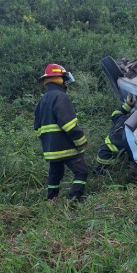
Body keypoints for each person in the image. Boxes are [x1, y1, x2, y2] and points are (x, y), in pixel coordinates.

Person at [34, 64, 89, 200]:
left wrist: (48, 141)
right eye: (64, 80)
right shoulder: (61, 97)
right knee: (82, 171)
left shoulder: (42, 100)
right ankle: (73, 200)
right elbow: (70, 125)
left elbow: (37, 127)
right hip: (67, 147)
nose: (66, 83)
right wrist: (81, 143)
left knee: (55, 175)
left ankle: (51, 199)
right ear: (60, 80)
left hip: (51, 149)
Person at [95, 94, 136, 173]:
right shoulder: (131, 133)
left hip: (103, 151)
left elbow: (115, 113)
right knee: (123, 168)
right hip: (107, 157)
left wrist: (127, 105)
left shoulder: (122, 118)